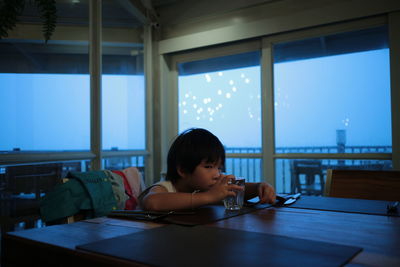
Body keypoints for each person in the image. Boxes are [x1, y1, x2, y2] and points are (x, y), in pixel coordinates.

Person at [140, 128, 276, 211]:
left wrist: (260, 187)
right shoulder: (165, 187)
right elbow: (152, 202)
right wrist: (209, 197)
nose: (217, 174)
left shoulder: (203, 185)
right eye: (209, 167)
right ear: (182, 170)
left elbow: (237, 189)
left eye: (219, 168)